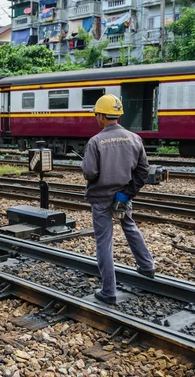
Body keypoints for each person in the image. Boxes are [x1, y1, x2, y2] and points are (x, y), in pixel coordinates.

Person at [81, 93, 155, 305]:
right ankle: (147, 266)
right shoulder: (135, 138)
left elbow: (90, 173)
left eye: (97, 115)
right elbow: (143, 171)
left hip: (101, 198)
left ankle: (108, 291)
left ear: (103, 116)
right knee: (130, 226)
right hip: (123, 196)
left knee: (104, 242)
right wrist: (127, 193)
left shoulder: (96, 141)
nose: (97, 119)